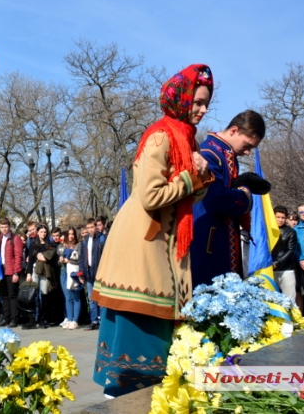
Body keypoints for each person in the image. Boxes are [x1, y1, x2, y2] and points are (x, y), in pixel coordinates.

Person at [92, 64, 215, 398]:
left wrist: (198, 176)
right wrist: (194, 177)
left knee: (156, 331)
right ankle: (122, 396)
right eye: (198, 102)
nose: (203, 110)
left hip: (166, 241)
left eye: (206, 104)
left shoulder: (185, 136)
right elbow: (151, 195)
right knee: (141, 322)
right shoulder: (161, 135)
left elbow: (186, 192)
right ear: (181, 99)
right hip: (145, 243)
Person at [190, 110, 268, 288]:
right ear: (234, 130)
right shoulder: (209, 153)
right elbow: (217, 199)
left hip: (221, 240)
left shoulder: (225, 154)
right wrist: (246, 192)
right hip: (208, 242)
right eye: (247, 145)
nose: (248, 152)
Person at [24, 224, 56, 329]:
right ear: (37, 232)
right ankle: (32, 319)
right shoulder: (33, 244)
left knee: (44, 294)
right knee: (33, 295)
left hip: (45, 272)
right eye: (41, 232)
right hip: (34, 270)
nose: (43, 234)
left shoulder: (49, 244)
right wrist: (28, 273)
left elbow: (52, 257)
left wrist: (45, 258)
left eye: (45, 232)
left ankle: (43, 319)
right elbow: (30, 260)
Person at [0, 218, 24, 328]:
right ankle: (6, 317)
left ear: (9, 226)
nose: (4, 229)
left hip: (11, 271)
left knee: (12, 296)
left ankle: (14, 318)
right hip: (1, 270)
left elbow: (18, 256)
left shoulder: (15, 239)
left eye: (6, 227)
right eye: (2, 227)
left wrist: (16, 272)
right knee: (4, 296)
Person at [78, 218, 105, 330]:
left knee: (101, 299)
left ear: (96, 227)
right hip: (88, 273)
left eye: (92, 227)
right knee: (91, 299)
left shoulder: (102, 239)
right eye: (88, 228)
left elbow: (105, 256)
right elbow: (82, 258)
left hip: (99, 273)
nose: (90, 230)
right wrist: (81, 273)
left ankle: (103, 321)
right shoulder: (85, 241)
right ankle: (94, 320)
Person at [270, 205, 298, 299]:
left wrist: (277, 263)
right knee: (270, 299)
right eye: (278, 217)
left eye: (283, 217)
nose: (280, 220)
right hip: (269, 269)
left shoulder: (291, 232)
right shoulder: (266, 230)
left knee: (290, 300)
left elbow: (291, 251)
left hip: (286, 269)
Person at [58, 227, 81, 330]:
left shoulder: (78, 246)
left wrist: (69, 261)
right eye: (69, 234)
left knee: (76, 297)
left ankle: (75, 321)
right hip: (64, 272)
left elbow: (81, 260)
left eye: (73, 234)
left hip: (75, 273)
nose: (71, 236)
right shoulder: (62, 246)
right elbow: (58, 262)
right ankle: (70, 319)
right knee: (68, 297)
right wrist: (60, 260)